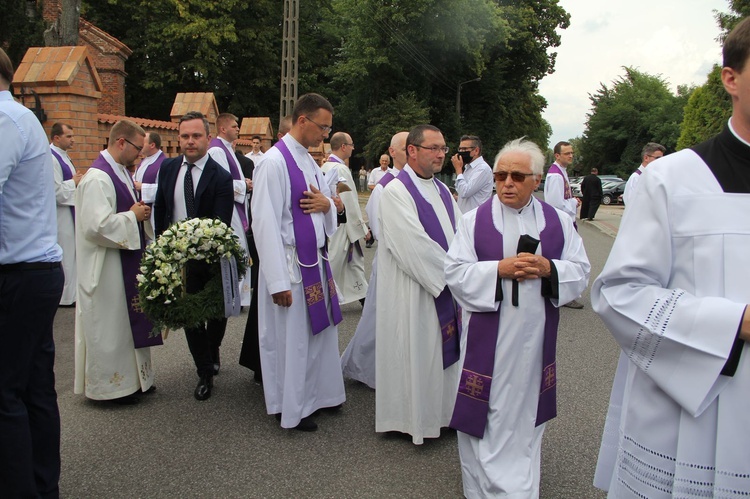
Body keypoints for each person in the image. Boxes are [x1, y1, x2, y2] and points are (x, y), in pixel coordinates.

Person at [592, 18, 750, 497]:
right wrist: (735, 323)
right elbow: (620, 295)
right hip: (700, 414)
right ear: (731, 79)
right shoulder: (676, 178)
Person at [445, 138, 590, 498]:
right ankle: (484, 487)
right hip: (489, 340)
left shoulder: (558, 222)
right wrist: (498, 270)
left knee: (523, 420)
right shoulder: (472, 221)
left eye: (517, 176)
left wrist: (548, 268)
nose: (507, 182)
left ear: (536, 180)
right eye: (500, 175)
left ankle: (517, 485)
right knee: (486, 415)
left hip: (535, 342)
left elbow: (581, 271)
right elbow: (455, 273)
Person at [251, 93, 346, 432]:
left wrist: (328, 206)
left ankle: (320, 395)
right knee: (292, 340)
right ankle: (292, 407)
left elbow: (327, 205)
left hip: (315, 262)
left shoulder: (308, 160)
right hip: (290, 267)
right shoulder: (274, 163)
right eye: (322, 126)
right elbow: (263, 223)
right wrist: (276, 281)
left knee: (320, 332)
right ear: (302, 121)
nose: (325, 134)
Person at [0, 47, 65, 499]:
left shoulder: (5, 120)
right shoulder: (21, 118)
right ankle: (43, 486)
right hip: (34, 268)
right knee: (34, 387)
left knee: (6, 393)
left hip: (19, 272)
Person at [375, 124, 461, 444]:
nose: (441, 154)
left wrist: (467, 266)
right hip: (414, 289)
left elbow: (461, 234)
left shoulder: (441, 190)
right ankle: (410, 419)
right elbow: (412, 246)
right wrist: (458, 275)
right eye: (434, 148)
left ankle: (444, 414)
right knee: (415, 350)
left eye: (443, 148)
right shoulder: (396, 192)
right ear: (412, 151)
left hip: (444, 286)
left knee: (439, 353)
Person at [74, 119, 161, 405]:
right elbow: (94, 226)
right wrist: (131, 217)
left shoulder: (120, 172)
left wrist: (140, 215)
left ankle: (136, 382)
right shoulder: (98, 178)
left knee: (127, 323)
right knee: (111, 328)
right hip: (106, 268)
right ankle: (112, 389)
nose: (141, 153)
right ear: (121, 142)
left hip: (123, 260)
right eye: (138, 147)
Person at [153, 111, 234, 401]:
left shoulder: (221, 178)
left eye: (196, 136)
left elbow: (220, 222)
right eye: (185, 136)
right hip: (175, 260)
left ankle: (213, 350)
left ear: (208, 138)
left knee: (216, 313)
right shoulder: (168, 168)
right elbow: (161, 210)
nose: (190, 141)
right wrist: (162, 248)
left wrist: (199, 247)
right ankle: (204, 370)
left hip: (209, 259)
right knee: (189, 315)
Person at [341, 131, 407, 389]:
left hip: (408, 261)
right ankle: (363, 367)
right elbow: (378, 224)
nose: (411, 151)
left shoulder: (416, 180)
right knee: (379, 316)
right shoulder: (385, 184)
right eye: (405, 147)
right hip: (392, 258)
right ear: (392, 152)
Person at [208, 113, 252, 308]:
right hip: (229, 209)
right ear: (223, 129)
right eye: (234, 126)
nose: (238, 129)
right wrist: (245, 185)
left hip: (236, 206)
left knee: (241, 250)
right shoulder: (217, 151)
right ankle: (235, 296)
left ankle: (239, 295)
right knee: (238, 250)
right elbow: (221, 184)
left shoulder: (226, 149)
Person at [321, 132, 369, 305]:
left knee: (354, 264)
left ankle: (366, 299)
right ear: (343, 147)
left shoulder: (325, 166)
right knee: (336, 262)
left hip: (333, 222)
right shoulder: (340, 169)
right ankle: (324, 297)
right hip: (342, 225)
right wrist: (362, 228)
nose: (353, 148)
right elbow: (350, 203)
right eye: (351, 144)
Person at [543, 141, 584, 310]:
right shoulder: (555, 175)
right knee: (563, 259)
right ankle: (562, 294)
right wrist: (574, 202)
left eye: (571, 153)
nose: (571, 156)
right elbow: (555, 204)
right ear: (557, 155)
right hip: (560, 224)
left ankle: (564, 292)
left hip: (566, 222)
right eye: (567, 153)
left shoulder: (562, 172)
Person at [50, 121, 83, 306]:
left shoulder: (64, 156)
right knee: (66, 253)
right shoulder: (51, 158)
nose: (73, 140)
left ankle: (72, 294)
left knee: (72, 252)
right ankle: (65, 296)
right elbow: (54, 191)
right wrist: (73, 182)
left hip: (70, 210)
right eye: (68, 136)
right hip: (61, 214)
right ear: (56, 138)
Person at [133, 131, 165, 238]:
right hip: (142, 209)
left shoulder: (164, 163)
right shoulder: (144, 160)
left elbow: (165, 188)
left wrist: (142, 187)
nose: (140, 145)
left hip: (154, 211)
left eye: (143, 142)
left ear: (152, 145)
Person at [450, 134, 493, 213]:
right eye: (460, 149)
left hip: (475, 218)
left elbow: (465, 192)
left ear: (476, 151)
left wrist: (458, 170)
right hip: (464, 217)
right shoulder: (468, 168)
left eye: (465, 149)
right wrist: (457, 198)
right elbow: (462, 191)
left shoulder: (482, 169)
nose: (461, 152)